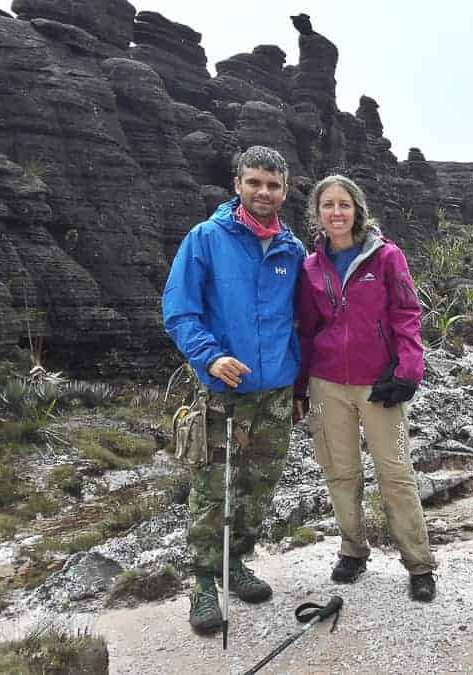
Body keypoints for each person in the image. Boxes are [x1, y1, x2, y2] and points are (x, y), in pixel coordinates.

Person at [162, 146, 306, 633]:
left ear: (284, 191)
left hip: (278, 393)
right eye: (255, 183)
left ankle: (235, 564)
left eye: (273, 185)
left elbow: (301, 323)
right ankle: (203, 584)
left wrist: (300, 383)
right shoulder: (205, 239)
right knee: (212, 487)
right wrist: (209, 356)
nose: (264, 192)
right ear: (238, 185)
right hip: (225, 391)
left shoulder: (293, 249)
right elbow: (179, 310)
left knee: (257, 487)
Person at [293, 174, 436, 602]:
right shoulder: (310, 267)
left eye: (344, 204)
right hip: (326, 384)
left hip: (379, 385)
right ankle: (353, 550)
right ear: (317, 214)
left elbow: (407, 313)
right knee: (340, 473)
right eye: (328, 205)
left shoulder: (387, 257)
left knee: (395, 474)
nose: (336, 212)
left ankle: (419, 564)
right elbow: (305, 328)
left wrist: (409, 369)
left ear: (358, 209)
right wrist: (300, 387)